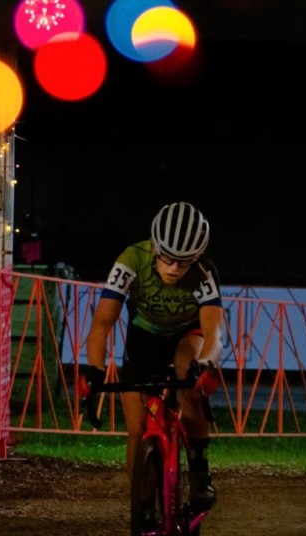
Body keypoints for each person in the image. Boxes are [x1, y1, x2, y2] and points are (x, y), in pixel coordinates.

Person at [82, 201, 224, 510]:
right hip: (144, 336)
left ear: (196, 257)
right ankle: (142, 507)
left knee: (189, 376)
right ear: (154, 247)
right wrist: (93, 370)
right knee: (137, 430)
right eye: (168, 258)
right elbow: (102, 322)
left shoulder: (203, 272)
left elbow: (215, 334)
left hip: (187, 335)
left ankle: (200, 469)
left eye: (183, 262)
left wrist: (209, 364)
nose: (174, 268)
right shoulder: (131, 259)